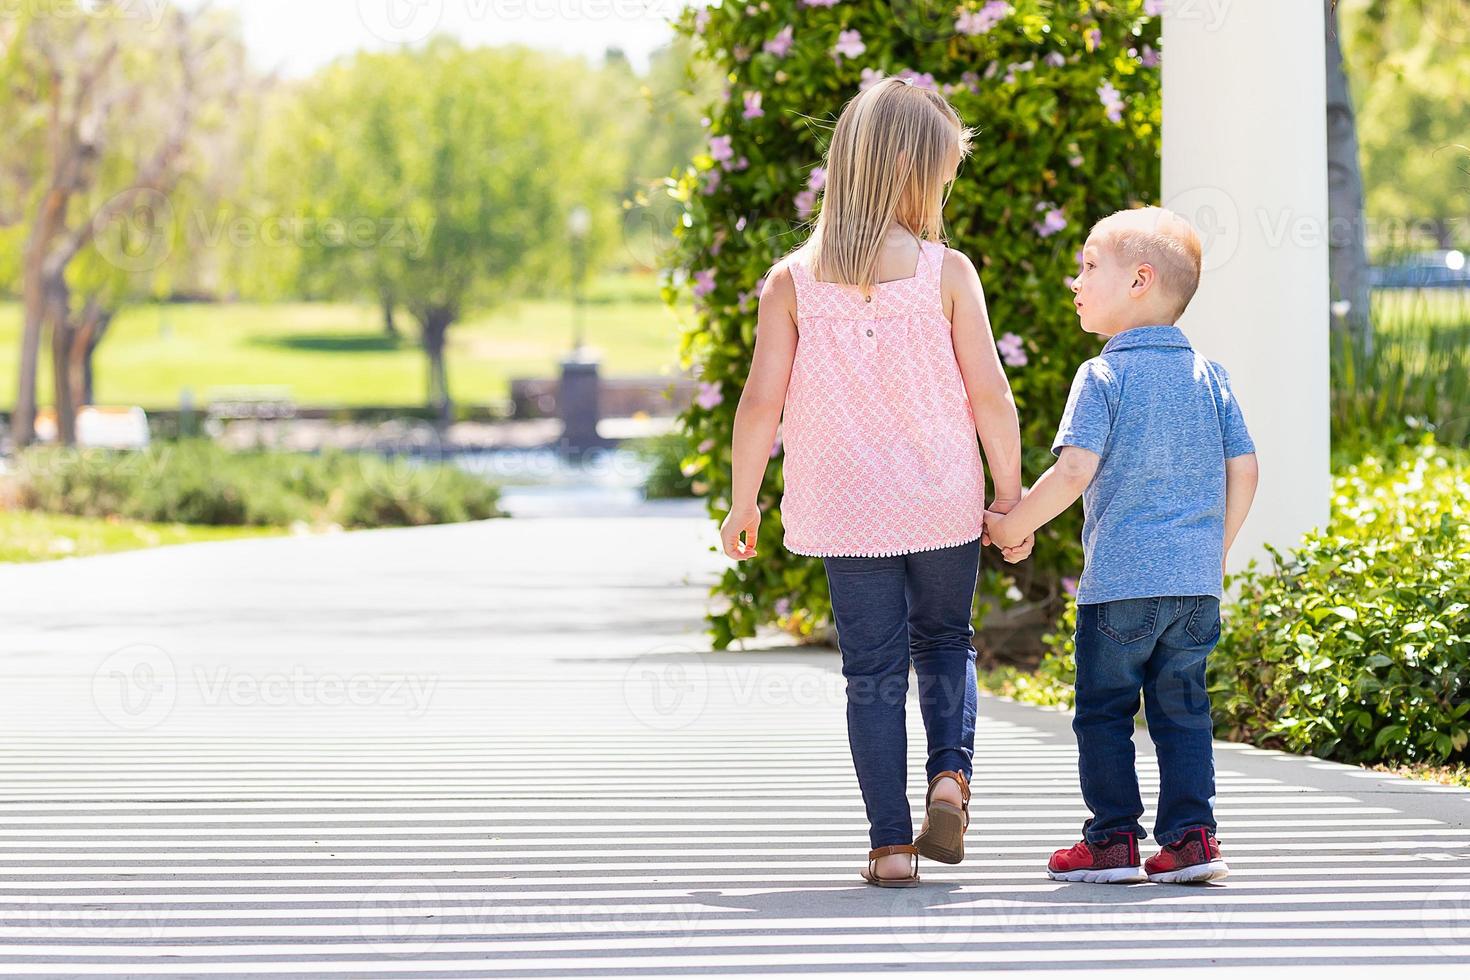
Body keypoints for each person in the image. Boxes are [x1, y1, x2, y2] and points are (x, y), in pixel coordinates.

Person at [718, 77, 1030, 887]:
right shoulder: (947, 273)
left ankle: (891, 848)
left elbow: (760, 403)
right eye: (941, 176)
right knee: (945, 642)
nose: (944, 193)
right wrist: (1012, 496)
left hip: (843, 504)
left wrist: (742, 499)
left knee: (872, 671)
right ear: (905, 168)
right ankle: (951, 777)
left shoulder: (792, 282)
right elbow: (991, 394)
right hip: (940, 497)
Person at [985, 206, 1260, 884]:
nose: (1073, 280)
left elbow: (1075, 469)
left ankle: (1111, 842)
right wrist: (1214, 549)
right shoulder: (1211, 376)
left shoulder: (1102, 376)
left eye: (1086, 265)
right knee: (1183, 707)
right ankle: (1192, 840)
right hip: (1195, 587)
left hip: (1121, 587)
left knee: (1105, 711)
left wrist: (1014, 525)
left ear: (1139, 279)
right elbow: (1246, 469)